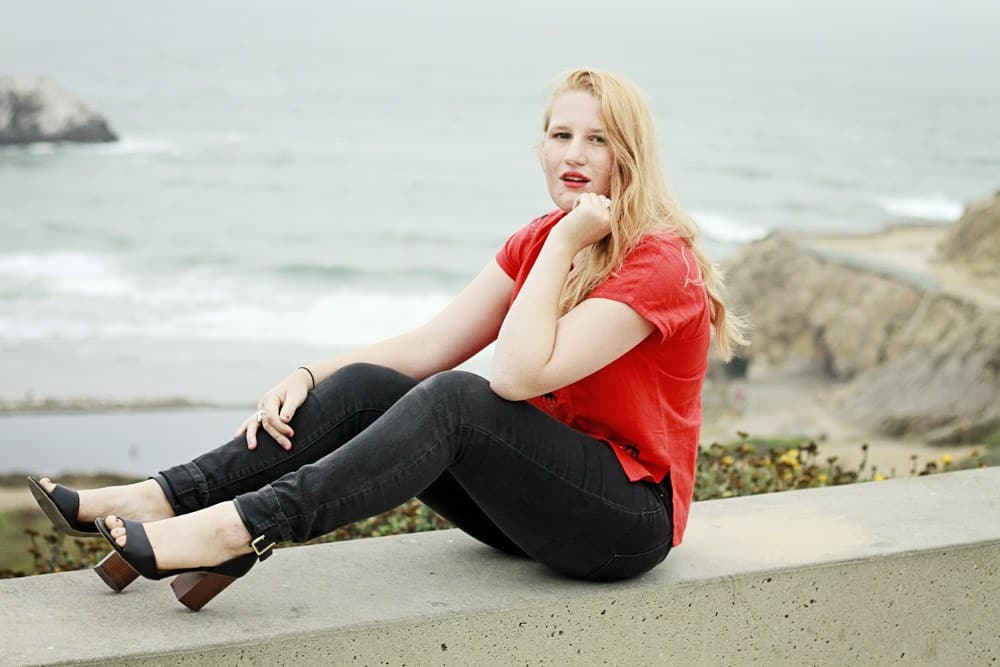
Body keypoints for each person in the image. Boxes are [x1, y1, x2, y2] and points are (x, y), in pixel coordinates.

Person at [27, 68, 746, 611]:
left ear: (631, 154)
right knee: (376, 385)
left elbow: (518, 377)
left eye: (598, 139)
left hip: (622, 523)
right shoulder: (541, 239)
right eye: (561, 135)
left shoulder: (658, 262)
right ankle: (165, 496)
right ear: (540, 144)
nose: (574, 155)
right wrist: (309, 373)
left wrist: (563, 244)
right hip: (533, 508)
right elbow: (427, 345)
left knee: (459, 402)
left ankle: (237, 530)